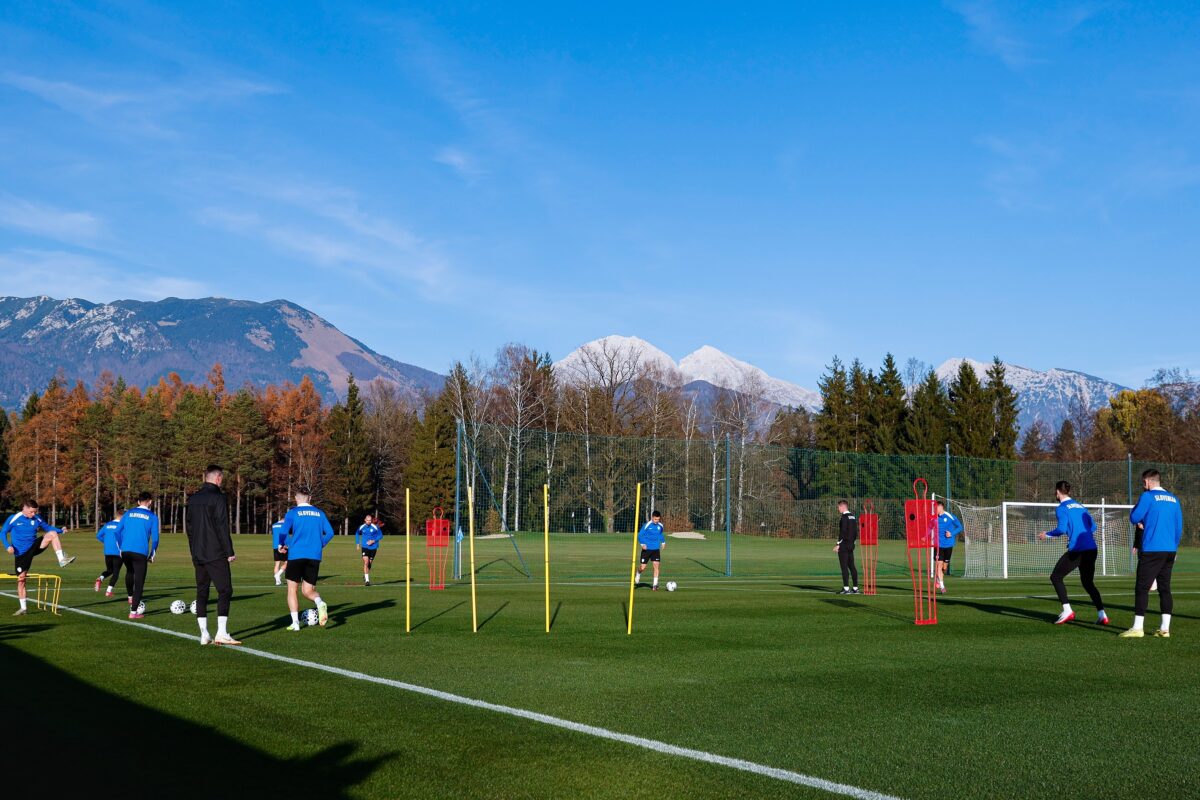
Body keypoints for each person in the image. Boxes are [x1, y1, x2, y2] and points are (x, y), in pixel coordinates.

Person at [1120, 469, 1183, 639]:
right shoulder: (1174, 499)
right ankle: (1164, 629)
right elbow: (1178, 527)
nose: (1143, 486)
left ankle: (1138, 628)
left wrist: (1140, 514)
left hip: (1152, 548)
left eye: (1143, 483)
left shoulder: (1147, 497)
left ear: (1147, 482)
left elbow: (1134, 517)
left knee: (1142, 587)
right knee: (1165, 588)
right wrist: (1174, 547)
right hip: (1170, 549)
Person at [1037, 481, 1108, 626]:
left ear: (1057, 492)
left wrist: (1047, 535)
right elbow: (1093, 527)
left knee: (1056, 577)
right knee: (1088, 583)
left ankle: (1067, 610)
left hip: (1078, 550)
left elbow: (1061, 529)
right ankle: (1102, 615)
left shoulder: (1062, 508)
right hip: (1092, 549)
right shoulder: (1081, 506)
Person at [185, 465, 240, 646]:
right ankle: (222, 633)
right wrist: (229, 551)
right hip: (215, 552)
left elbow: (190, 528)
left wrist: (193, 550)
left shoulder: (193, 499)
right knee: (225, 590)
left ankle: (204, 634)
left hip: (198, 553)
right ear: (217, 478)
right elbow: (222, 526)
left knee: (202, 591)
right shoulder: (219, 497)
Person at [1, 500, 74, 616]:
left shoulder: (37, 518)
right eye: (31, 512)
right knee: (21, 581)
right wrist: (7, 546)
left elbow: (48, 527)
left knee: (52, 534)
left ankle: (62, 559)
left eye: (35, 512)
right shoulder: (13, 518)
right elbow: (3, 532)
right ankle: (23, 608)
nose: (33, 514)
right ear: (24, 508)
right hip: (21, 553)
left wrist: (61, 530)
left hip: (35, 546)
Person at [278, 486, 335, 630]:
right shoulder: (319, 513)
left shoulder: (293, 512)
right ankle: (320, 603)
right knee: (308, 591)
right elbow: (330, 533)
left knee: (292, 589)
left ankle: (295, 623)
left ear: (296, 499)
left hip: (297, 554)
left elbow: (284, 530)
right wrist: (319, 544)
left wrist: (281, 544)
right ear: (309, 498)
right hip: (314, 556)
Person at [113, 492, 159, 620]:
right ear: (150, 502)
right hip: (140, 552)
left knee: (130, 571)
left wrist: (120, 548)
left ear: (138, 502)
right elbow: (155, 539)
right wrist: (152, 554)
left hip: (126, 551)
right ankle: (133, 612)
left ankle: (129, 596)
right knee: (139, 582)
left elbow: (117, 532)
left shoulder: (128, 513)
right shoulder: (152, 516)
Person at [934, 500, 963, 594]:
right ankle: (942, 586)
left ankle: (938, 579)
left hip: (949, 545)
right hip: (938, 546)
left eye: (936, 507)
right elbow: (929, 527)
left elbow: (959, 527)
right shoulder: (934, 517)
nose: (935, 509)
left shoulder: (950, 517)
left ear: (941, 507)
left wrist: (951, 533)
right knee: (938, 565)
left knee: (944, 567)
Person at [635, 510, 666, 590]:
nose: (657, 521)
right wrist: (642, 544)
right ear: (652, 517)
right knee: (643, 567)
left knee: (656, 566)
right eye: (655, 519)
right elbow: (640, 535)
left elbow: (660, 534)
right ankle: (638, 573)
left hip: (656, 549)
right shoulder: (647, 525)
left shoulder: (660, 526)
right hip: (647, 549)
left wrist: (663, 542)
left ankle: (655, 585)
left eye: (658, 519)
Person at [94, 512, 123, 597]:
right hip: (118, 552)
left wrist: (106, 542)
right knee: (116, 573)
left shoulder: (107, 525)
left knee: (110, 570)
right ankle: (108, 591)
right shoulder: (122, 526)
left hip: (107, 551)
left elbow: (98, 536)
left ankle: (100, 578)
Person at [834, 500, 858, 595]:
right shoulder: (853, 516)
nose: (838, 509)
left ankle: (846, 588)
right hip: (851, 545)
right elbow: (855, 531)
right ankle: (855, 588)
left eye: (839, 507)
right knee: (852, 566)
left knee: (844, 567)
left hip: (844, 545)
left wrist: (838, 544)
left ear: (843, 507)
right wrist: (853, 542)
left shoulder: (844, 517)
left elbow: (843, 532)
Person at [355, 514, 383, 586]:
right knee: (366, 562)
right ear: (365, 520)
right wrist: (358, 543)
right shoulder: (362, 527)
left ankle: (365, 574)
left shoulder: (375, 527)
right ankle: (367, 581)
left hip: (374, 547)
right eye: (367, 520)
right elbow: (357, 533)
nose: (368, 521)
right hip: (365, 546)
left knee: (369, 563)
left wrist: (373, 541)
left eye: (370, 520)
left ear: (371, 520)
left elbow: (381, 536)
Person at [271, 517, 288, 586]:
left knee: (277, 564)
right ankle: (279, 575)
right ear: (283, 520)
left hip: (275, 546)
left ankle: (277, 581)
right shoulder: (284, 525)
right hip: (282, 546)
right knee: (288, 563)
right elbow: (285, 536)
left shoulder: (274, 525)